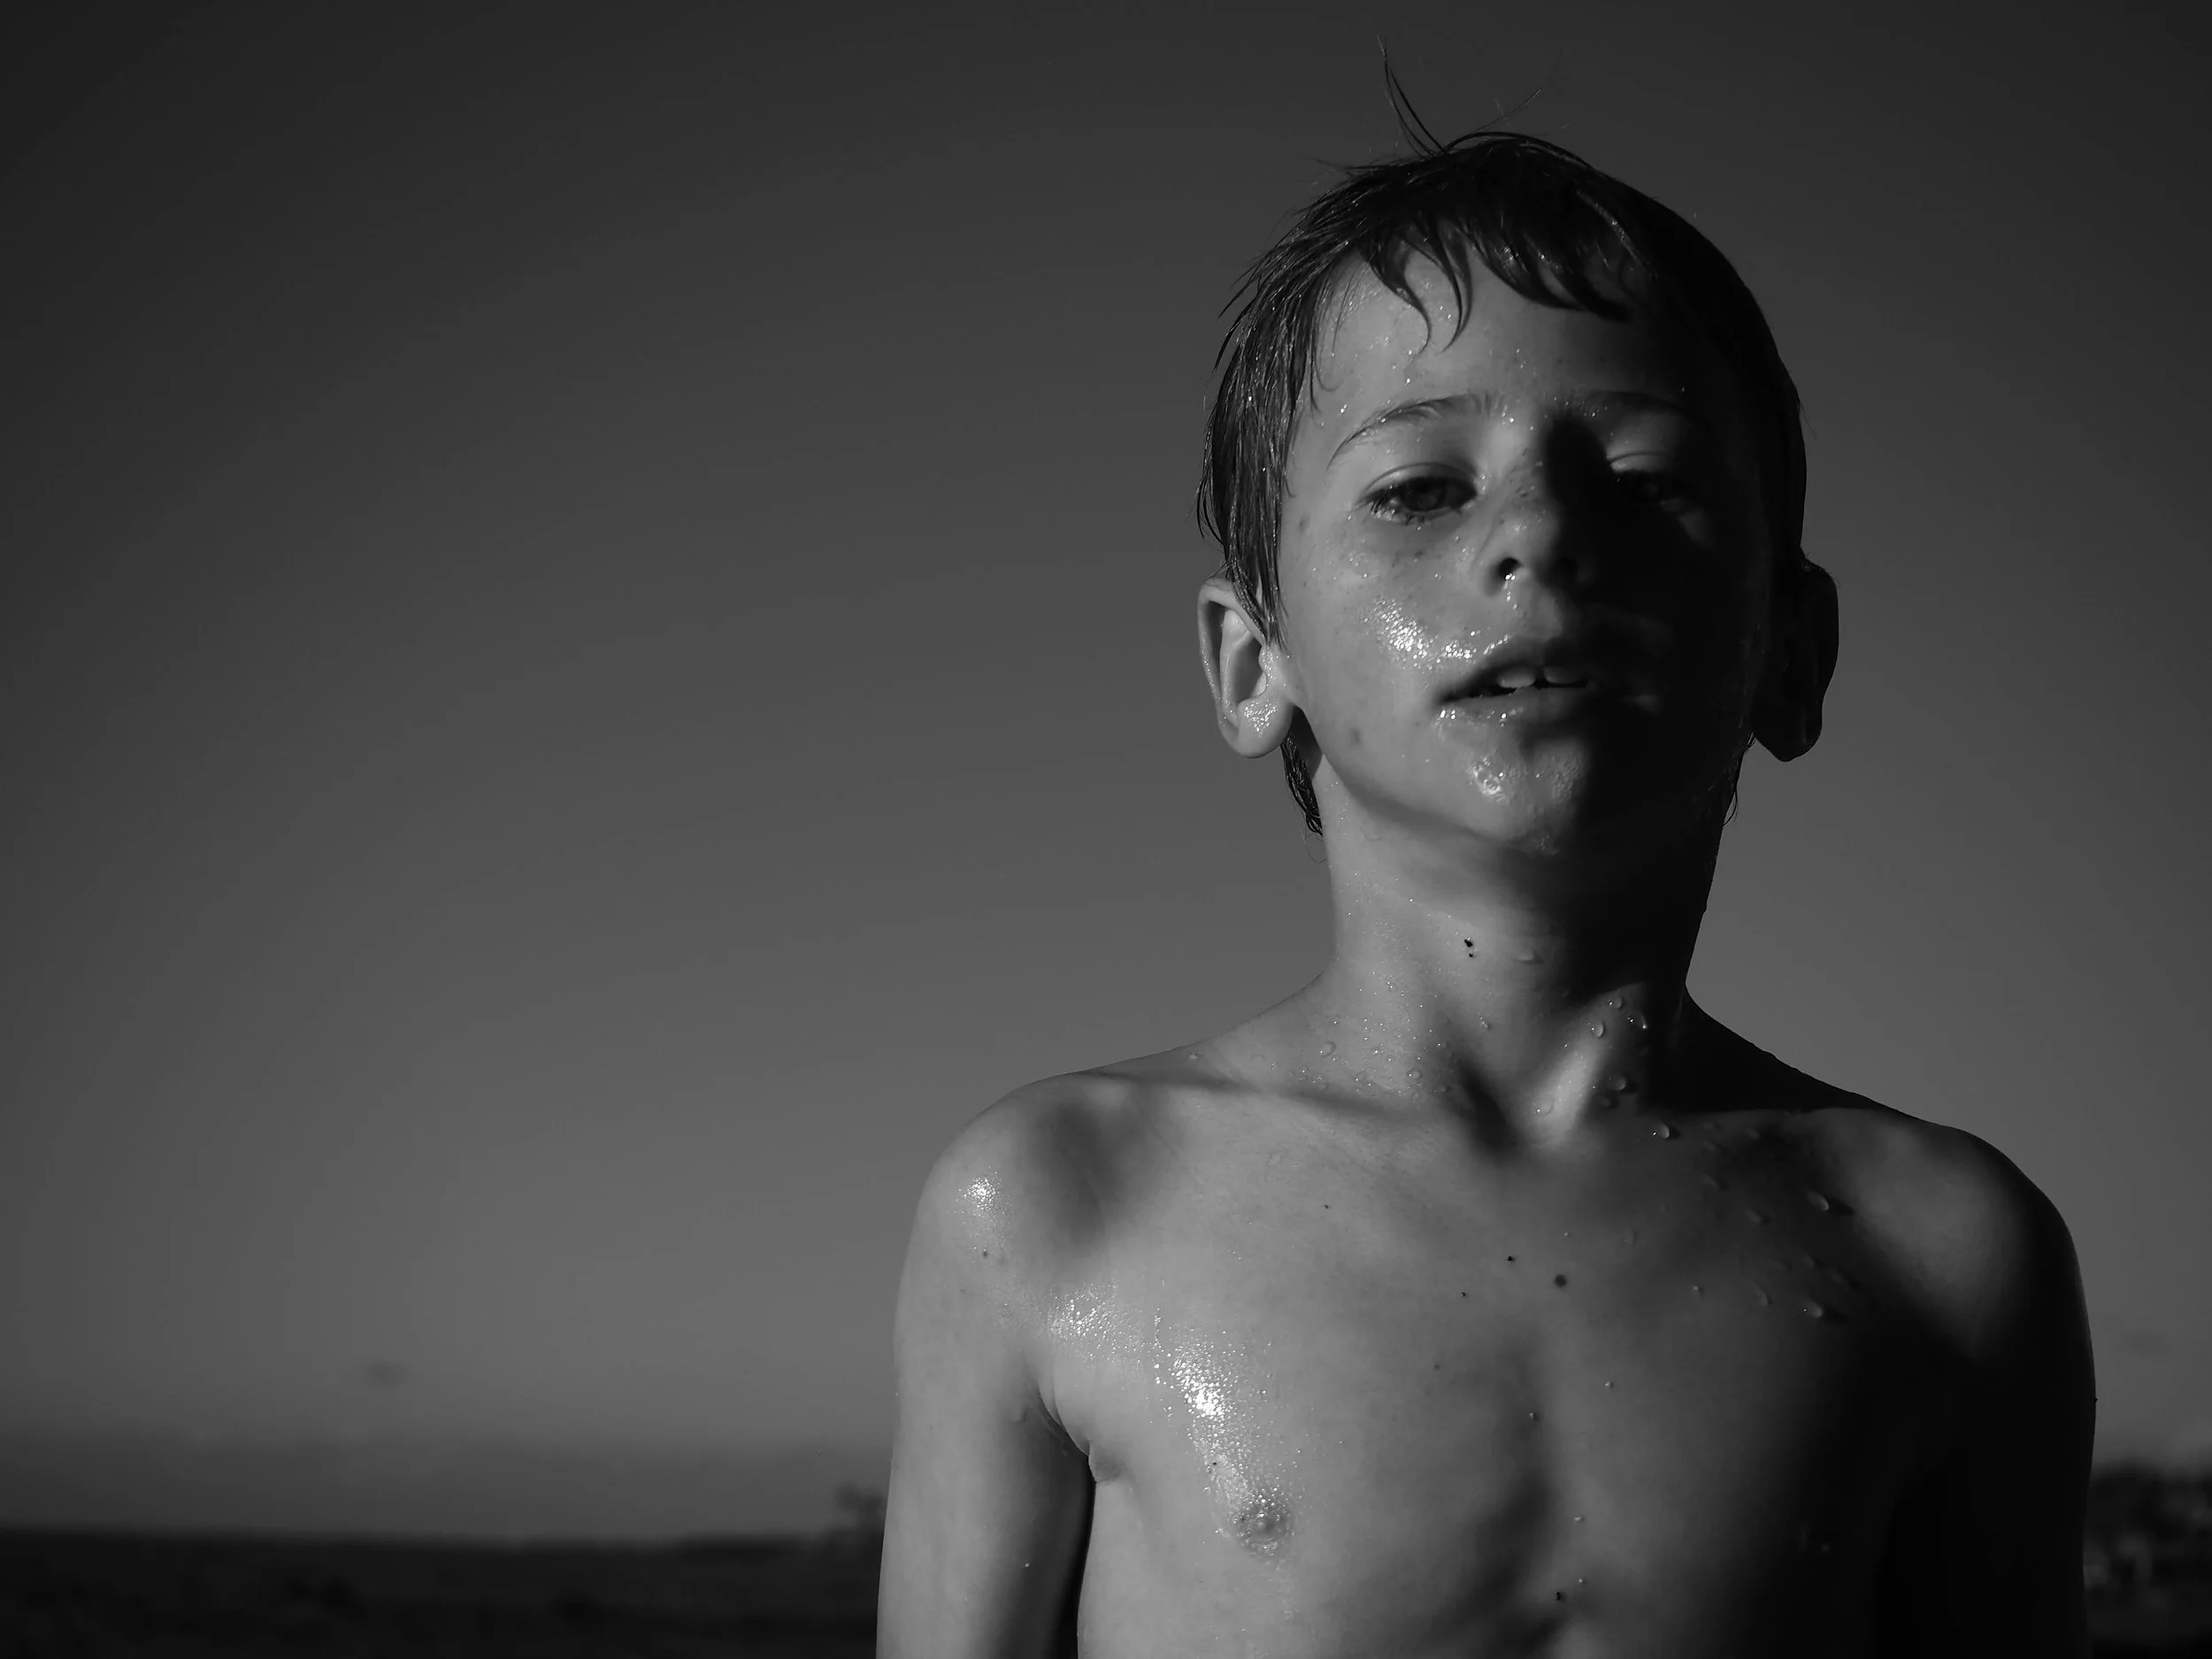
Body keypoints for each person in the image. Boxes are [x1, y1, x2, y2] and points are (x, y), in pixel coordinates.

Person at [877, 124, 2094, 1656]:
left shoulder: (1945, 1255)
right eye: (1418, 488)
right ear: (1254, 663)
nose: (1541, 534)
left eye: (1645, 480)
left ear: (1791, 650)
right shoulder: (1062, 1208)